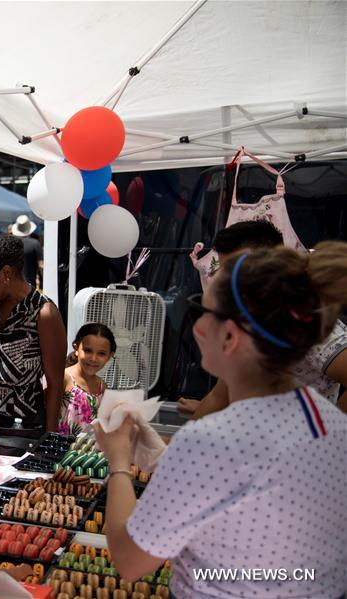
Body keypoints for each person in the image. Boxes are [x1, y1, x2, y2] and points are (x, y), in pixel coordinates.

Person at [94, 242, 347, 598]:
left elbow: (131, 562)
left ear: (229, 336)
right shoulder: (329, 423)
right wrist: (165, 461)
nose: (197, 330)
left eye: (205, 316)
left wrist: (119, 463)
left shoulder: (214, 441)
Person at [178, 220, 347, 416]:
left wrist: (331, 431)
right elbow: (219, 396)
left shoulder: (311, 327)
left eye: (240, 271)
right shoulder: (245, 321)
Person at [0, 235, 67, 455]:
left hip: (19, 432)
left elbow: (56, 384)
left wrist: (48, 444)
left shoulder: (43, 313)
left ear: (6, 274)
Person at [59, 323, 116, 436]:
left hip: (88, 452)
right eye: (88, 351)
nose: (93, 359)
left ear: (110, 356)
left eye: (101, 353)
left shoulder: (103, 387)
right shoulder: (63, 378)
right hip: (59, 450)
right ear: (76, 348)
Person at [10, 215, 42, 288]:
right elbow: (41, 265)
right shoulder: (35, 243)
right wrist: (42, 280)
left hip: (13, 283)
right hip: (30, 284)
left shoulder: (12, 243)